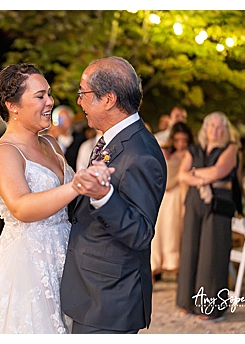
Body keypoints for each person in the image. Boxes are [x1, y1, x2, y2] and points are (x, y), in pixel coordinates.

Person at [0, 63, 84, 333]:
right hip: (30, 264)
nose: (50, 102)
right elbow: (20, 206)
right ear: (13, 105)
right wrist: (75, 186)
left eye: (49, 94)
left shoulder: (51, 143)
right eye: (40, 96)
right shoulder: (5, 153)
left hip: (66, 253)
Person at [60, 57, 166, 333]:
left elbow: (141, 232)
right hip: (92, 292)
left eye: (83, 93)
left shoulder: (141, 153)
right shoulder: (114, 138)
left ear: (108, 99)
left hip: (110, 300)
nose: (79, 102)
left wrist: (104, 196)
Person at [176, 113, 241, 321]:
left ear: (226, 130)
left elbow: (217, 172)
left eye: (220, 127)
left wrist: (194, 173)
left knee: (212, 254)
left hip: (219, 203)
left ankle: (210, 307)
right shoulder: (194, 149)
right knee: (190, 251)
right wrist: (200, 176)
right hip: (195, 201)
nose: (215, 130)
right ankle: (187, 302)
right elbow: (181, 175)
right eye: (212, 126)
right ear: (205, 129)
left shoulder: (230, 148)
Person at [151, 122, 193, 280]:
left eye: (184, 140)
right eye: (177, 140)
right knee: (159, 235)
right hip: (165, 198)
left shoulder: (190, 154)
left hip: (179, 196)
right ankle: (154, 270)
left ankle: (178, 271)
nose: (181, 144)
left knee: (174, 235)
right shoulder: (166, 151)